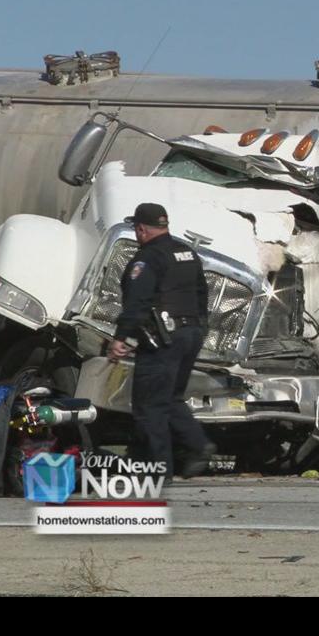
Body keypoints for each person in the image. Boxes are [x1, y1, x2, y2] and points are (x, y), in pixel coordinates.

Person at [107, 203, 213, 479]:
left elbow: (137, 302)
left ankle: (158, 470)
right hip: (191, 334)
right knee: (171, 398)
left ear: (141, 229)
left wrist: (122, 337)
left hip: (163, 339)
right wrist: (199, 329)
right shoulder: (187, 252)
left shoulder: (147, 259)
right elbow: (202, 294)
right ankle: (198, 445)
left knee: (150, 406)